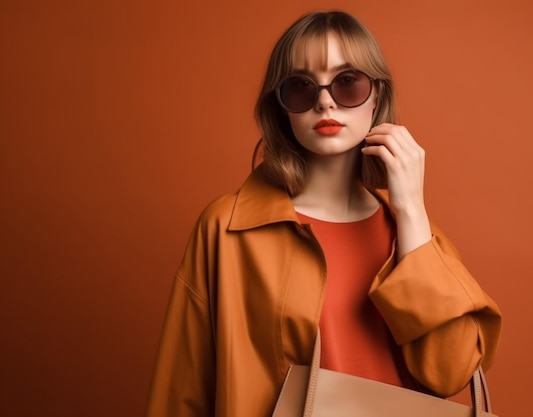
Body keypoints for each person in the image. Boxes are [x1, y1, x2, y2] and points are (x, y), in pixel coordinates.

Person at [145, 10, 502, 417]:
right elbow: (182, 391)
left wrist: (411, 210)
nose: (325, 100)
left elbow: (452, 372)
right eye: (301, 87)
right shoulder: (229, 228)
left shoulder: (416, 234)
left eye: (348, 82)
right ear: (282, 108)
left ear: (377, 98)